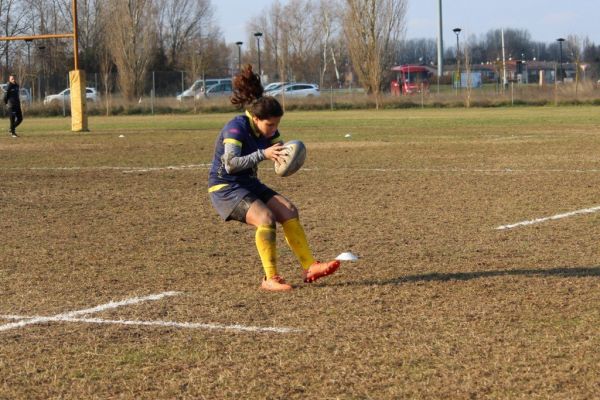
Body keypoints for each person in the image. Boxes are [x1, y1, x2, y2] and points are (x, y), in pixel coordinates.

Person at [208, 64, 340, 292]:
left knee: (288, 210)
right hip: (225, 187)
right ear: (256, 118)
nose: (273, 130)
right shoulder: (236, 128)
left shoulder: (267, 128)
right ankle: (270, 278)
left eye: (277, 124)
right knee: (266, 218)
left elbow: (280, 151)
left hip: (248, 183)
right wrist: (263, 154)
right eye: (270, 125)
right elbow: (230, 165)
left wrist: (288, 158)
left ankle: (310, 266)